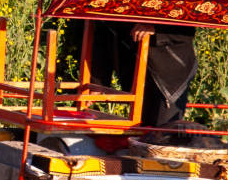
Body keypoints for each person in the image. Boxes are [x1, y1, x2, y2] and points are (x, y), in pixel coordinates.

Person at [61, 20, 197, 126]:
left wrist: (154, 29)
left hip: (169, 76)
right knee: (140, 133)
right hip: (135, 74)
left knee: (162, 135)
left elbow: (187, 29)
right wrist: (97, 83)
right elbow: (103, 39)